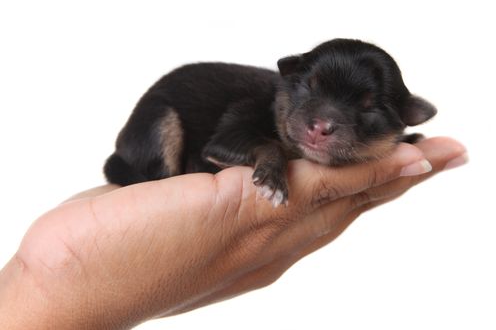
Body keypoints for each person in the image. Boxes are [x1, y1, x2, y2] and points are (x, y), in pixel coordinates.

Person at [0, 137, 466, 330]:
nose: (322, 130)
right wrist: (52, 290)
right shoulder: (256, 119)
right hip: (161, 143)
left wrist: (39, 289)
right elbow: (226, 142)